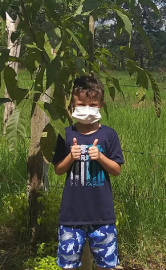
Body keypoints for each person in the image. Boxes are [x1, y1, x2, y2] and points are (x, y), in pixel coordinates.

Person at [52, 75, 124, 270]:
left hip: (103, 215)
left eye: (92, 105)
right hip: (71, 216)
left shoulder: (109, 135)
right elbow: (58, 170)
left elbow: (116, 170)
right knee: (68, 265)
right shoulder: (65, 134)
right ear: (73, 104)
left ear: (101, 104)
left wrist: (100, 158)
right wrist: (70, 156)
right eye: (81, 104)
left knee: (106, 265)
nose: (87, 110)